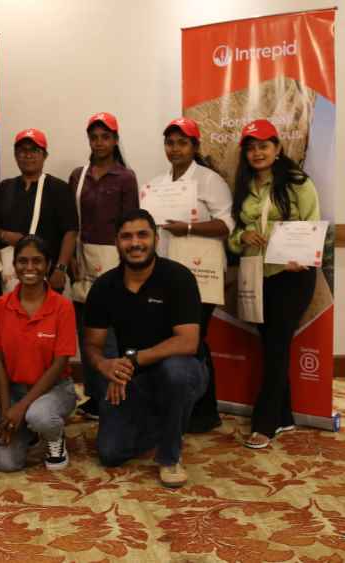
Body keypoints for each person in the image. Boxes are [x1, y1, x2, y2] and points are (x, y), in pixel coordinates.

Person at [85, 209, 206, 488]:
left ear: (156, 239)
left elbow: (188, 342)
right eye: (126, 236)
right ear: (116, 242)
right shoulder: (104, 286)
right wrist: (107, 366)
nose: (135, 243)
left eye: (142, 234)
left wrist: (131, 360)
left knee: (174, 372)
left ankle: (169, 456)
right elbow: (92, 345)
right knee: (110, 453)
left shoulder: (179, 278)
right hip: (135, 377)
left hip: (183, 370)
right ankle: (163, 421)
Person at [227, 119, 319, 449]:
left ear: (277, 149)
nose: (257, 153)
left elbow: (311, 226)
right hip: (257, 275)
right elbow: (235, 237)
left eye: (264, 145)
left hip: (292, 276)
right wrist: (242, 236)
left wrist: (302, 253)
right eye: (251, 148)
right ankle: (285, 417)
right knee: (271, 345)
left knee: (277, 347)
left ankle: (264, 424)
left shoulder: (298, 183)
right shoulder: (244, 186)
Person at [146, 117, 234, 433]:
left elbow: (227, 225)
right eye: (170, 142)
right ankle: (177, 406)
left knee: (195, 341)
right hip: (167, 274)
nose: (175, 148)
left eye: (182, 142)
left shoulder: (210, 181)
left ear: (195, 147)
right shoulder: (156, 184)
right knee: (172, 340)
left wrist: (188, 228)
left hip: (201, 274)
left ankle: (204, 412)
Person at [69, 112, 139, 420]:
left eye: (105, 137)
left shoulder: (125, 177)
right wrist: (69, 254)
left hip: (112, 259)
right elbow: (72, 221)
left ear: (115, 140)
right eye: (94, 137)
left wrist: (126, 265)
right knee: (84, 327)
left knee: (109, 331)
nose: (99, 142)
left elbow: (131, 224)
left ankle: (112, 395)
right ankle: (94, 396)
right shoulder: (78, 175)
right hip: (82, 258)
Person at [0, 235, 77, 472]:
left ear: (48, 265)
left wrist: (21, 408)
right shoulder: (0, 305)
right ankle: (29, 432)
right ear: (14, 265)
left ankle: (54, 436)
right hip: (16, 391)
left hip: (55, 389)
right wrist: (7, 411)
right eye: (22, 261)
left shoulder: (62, 307)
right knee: (5, 464)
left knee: (38, 415)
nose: (30, 268)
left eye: (37, 261)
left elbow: (60, 363)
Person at [0, 128, 78, 292]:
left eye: (34, 150)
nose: (28, 155)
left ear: (44, 155)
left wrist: (61, 268)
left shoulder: (59, 189)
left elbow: (71, 231)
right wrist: (3, 235)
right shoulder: (4, 188)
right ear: (15, 155)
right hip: (11, 273)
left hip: (50, 273)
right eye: (22, 151)